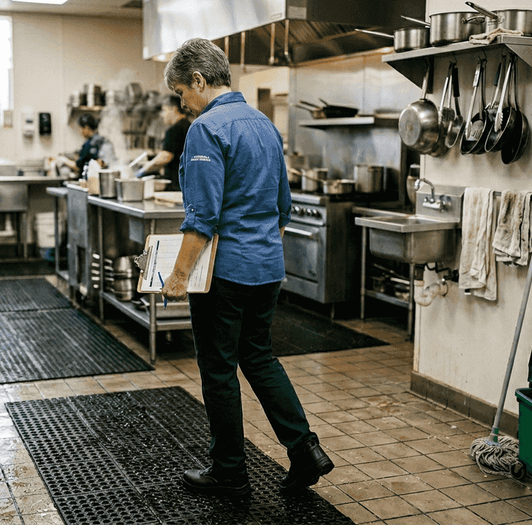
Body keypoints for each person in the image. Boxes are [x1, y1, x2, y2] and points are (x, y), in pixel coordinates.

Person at [160, 37, 333, 497]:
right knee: (258, 357)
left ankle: (230, 474)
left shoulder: (206, 129)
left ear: (198, 80)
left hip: (225, 273)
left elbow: (203, 217)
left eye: (181, 92)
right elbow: (282, 208)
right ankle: (305, 451)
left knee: (218, 369)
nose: (183, 103)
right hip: (268, 269)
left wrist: (177, 278)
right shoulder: (263, 124)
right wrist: (259, 253)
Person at [136, 95, 189, 191]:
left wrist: (142, 171)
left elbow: (165, 157)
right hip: (186, 183)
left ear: (173, 109)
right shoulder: (188, 125)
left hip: (176, 185)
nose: (162, 114)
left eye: (164, 110)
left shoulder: (175, 129)